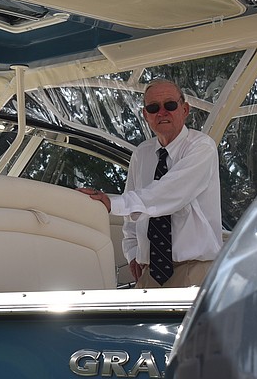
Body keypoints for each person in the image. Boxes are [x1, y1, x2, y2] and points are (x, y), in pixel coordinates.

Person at [77, 78, 222, 288]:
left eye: (170, 105)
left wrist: (113, 203)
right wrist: (133, 251)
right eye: (153, 108)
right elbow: (132, 220)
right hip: (150, 271)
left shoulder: (202, 147)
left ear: (185, 109)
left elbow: (169, 193)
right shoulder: (141, 154)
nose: (162, 112)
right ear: (145, 115)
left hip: (194, 270)